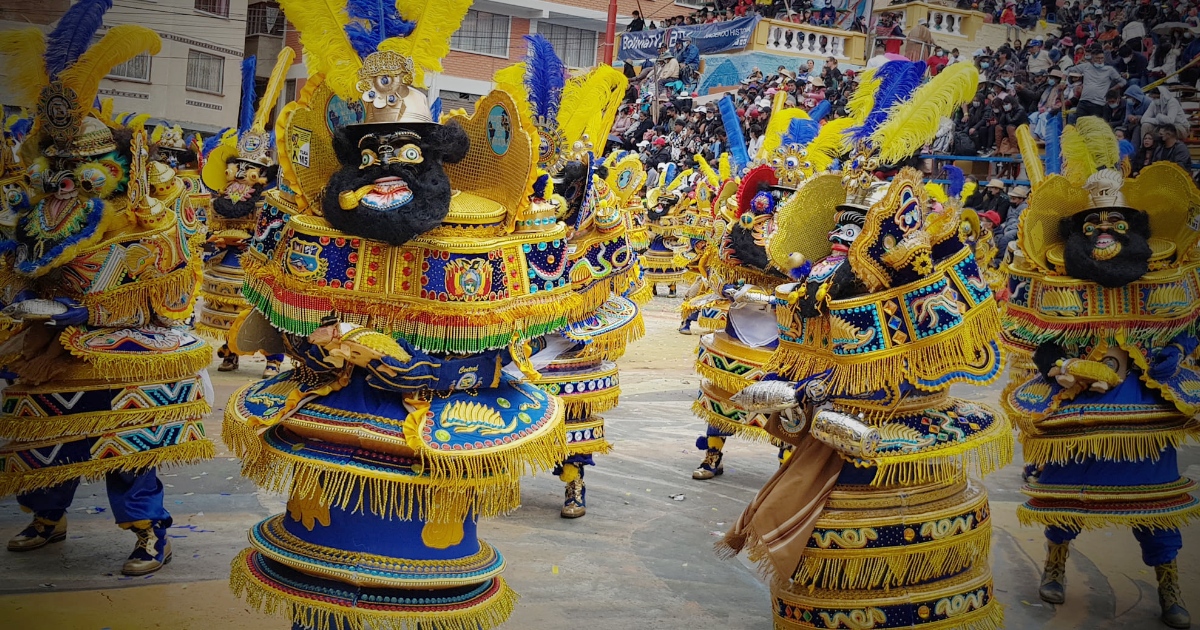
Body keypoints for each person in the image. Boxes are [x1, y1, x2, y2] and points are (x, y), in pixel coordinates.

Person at [0, 0, 214, 576]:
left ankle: (149, 533)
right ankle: (47, 516)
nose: (64, 181)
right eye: (55, 168)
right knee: (42, 437)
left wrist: (86, 313)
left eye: (80, 168)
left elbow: (167, 297)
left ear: (114, 167)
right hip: (44, 347)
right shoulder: (35, 218)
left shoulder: (148, 222)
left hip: (118, 353)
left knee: (126, 447)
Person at [1006, 126, 1194, 630]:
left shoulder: (1163, 282)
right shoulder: (1057, 285)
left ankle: (1169, 584)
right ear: (1075, 233)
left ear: (1135, 230)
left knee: (1155, 502)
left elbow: (1188, 330)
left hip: (1145, 405)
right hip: (1073, 404)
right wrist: (1063, 368)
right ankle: (1056, 563)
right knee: (1064, 492)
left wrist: (1174, 352)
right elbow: (1038, 345)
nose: (1105, 231)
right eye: (1093, 224)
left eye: (1115, 222)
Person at [1067, 44, 1126, 121]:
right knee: (1079, 124)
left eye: (1102, 58)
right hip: (1083, 102)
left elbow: (1123, 81)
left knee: (1094, 128)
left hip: (1099, 104)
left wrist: (1111, 89)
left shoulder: (1109, 70)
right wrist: (1062, 81)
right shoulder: (1086, 66)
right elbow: (1068, 70)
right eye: (1097, 58)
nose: (1100, 61)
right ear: (1092, 59)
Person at [995, 184, 1028, 255]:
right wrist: (1003, 225)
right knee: (995, 232)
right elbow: (1007, 219)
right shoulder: (1011, 207)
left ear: (1021, 199)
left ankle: (1000, 258)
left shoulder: (1025, 208)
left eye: (1014, 199)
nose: (1011, 201)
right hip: (1008, 225)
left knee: (1006, 238)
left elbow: (1020, 223)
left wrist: (1008, 228)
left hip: (1018, 229)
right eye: (1011, 198)